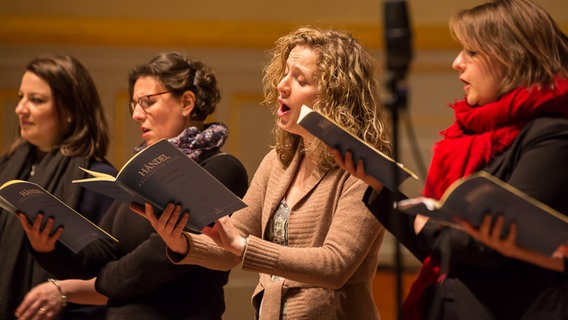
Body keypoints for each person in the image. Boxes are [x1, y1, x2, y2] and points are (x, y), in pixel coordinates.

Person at [134, 27, 390, 319]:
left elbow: (335, 266)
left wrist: (243, 246)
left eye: (299, 78)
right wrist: (181, 242)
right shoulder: (277, 162)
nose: (282, 85)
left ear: (335, 96)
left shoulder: (362, 170)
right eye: (284, 73)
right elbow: (232, 242)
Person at [333, 0, 568, 319]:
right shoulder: (468, 138)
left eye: (471, 52)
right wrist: (378, 185)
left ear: (512, 57)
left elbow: (493, 243)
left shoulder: (552, 134)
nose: (457, 63)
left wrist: (430, 225)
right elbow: (439, 251)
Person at [19, 51, 249, 319]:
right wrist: (48, 246)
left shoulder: (221, 168)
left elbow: (157, 259)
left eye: (147, 102)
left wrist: (100, 283)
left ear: (187, 102)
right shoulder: (142, 173)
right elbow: (101, 251)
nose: (137, 115)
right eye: (133, 105)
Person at [0, 53, 117, 320]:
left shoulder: (98, 179)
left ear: (70, 111)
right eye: (21, 97)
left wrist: (47, 250)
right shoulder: (7, 168)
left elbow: (111, 274)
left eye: (36, 100)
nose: (21, 108)